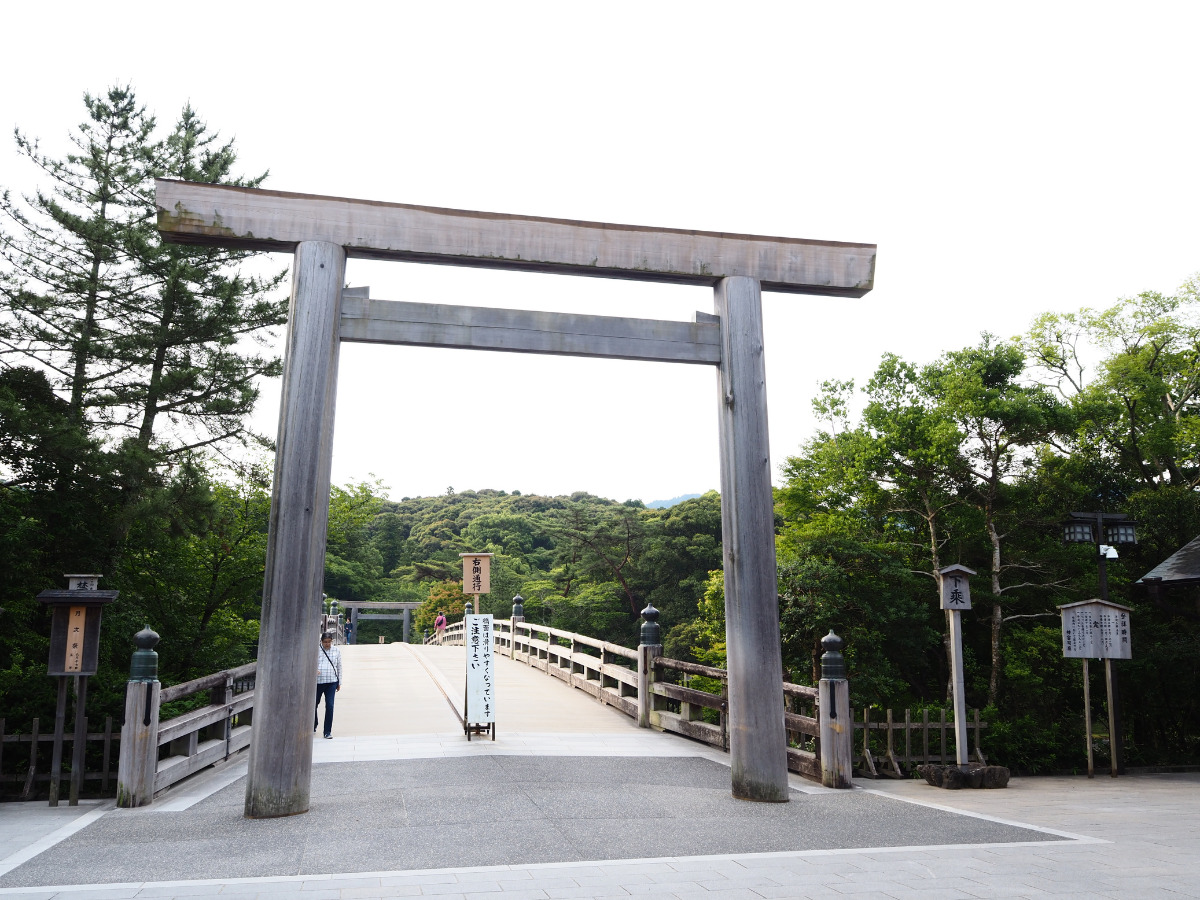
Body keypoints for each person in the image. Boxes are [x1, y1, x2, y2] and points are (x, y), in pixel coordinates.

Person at [315, 631, 342, 738]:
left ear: (332, 641)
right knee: (314, 704)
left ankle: (327, 731)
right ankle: (314, 723)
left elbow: (339, 666)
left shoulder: (336, 650)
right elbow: (310, 662)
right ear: (321, 641)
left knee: (330, 706)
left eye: (329, 642)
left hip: (331, 681)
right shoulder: (316, 650)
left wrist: (339, 681)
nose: (327, 644)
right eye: (325, 642)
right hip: (318, 682)